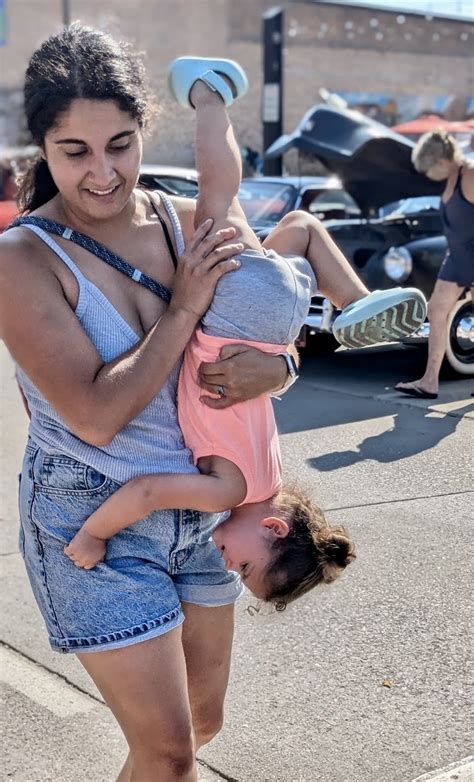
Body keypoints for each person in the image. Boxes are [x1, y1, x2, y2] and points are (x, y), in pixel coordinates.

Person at [0, 29, 421, 779]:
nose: (103, 173)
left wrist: (283, 366)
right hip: (95, 512)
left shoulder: (178, 216)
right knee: (168, 755)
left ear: (143, 132)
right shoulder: (23, 260)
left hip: (205, 512)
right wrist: (184, 304)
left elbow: (262, 309)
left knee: (200, 724)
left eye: (121, 145)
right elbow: (96, 415)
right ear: (43, 145)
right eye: (76, 152)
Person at [64, 59, 358, 604]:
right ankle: (208, 93)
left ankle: (356, 299)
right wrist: (93, 533)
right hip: (236, 318)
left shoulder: (268, 477)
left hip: (272, 321)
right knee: (217, 198)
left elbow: (261, 393)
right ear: (273, 529)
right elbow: (149, 492)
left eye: (239, 575)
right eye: (246, 566)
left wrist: (285, 364)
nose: (231, 567)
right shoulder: (229, 489)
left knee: (293, 232)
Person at [395, 130, 474, 399]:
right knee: (436, 310)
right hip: (457, 258)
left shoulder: (470, 174)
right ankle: (430, 381)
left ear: (441, 162)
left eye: (428, 170)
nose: (427, 176)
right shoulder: (452, 178)